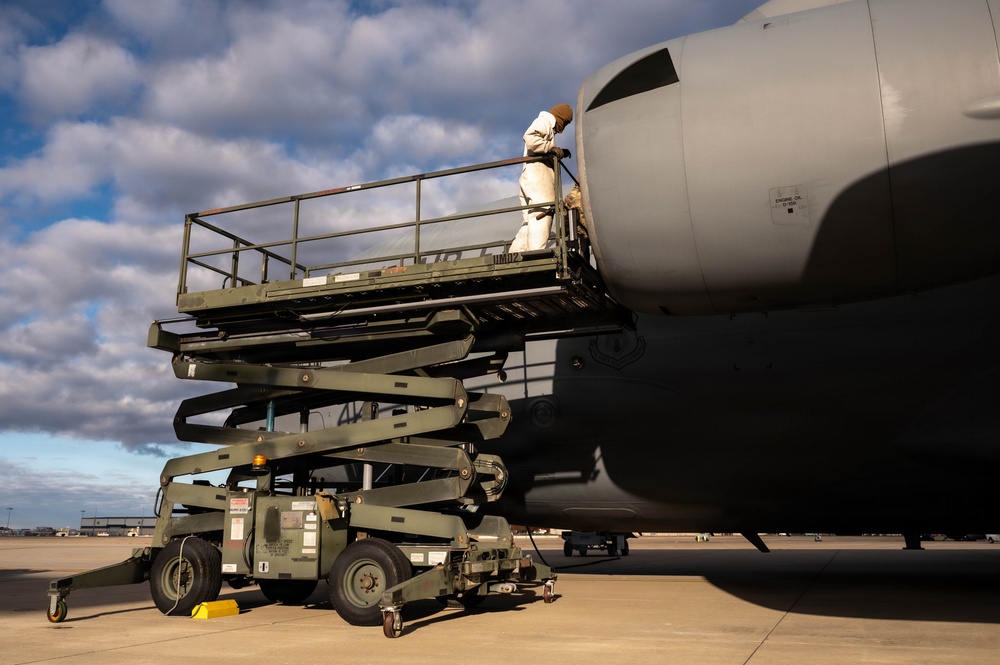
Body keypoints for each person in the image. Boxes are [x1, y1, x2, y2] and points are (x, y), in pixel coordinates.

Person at [509, 103, 573, 252]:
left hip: (529, 179)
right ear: (561, 118)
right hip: (538, 181)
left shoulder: (546, 126)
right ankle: (536, 256)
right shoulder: (544, 122)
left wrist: (559, 151)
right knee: (543, 215)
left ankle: (514, 254)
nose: (563, 128)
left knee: (529, 222)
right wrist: (551, 149)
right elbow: (530, 137)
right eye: (565, 123)